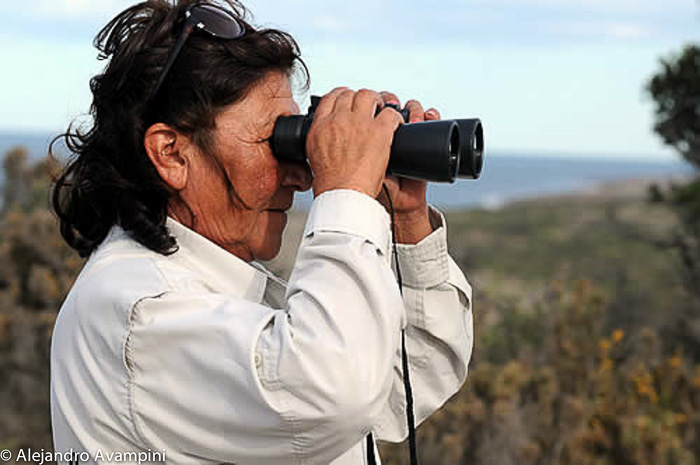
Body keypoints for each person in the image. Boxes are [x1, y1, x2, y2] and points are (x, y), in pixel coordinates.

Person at [49, 1, 474, 464]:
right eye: (275, 143)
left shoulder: (218, 289)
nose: (302, 176)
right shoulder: (136, 309)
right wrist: (347, 193)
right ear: (171, 154)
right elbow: (334, 392)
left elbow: (395, 388)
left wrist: (405, 219)